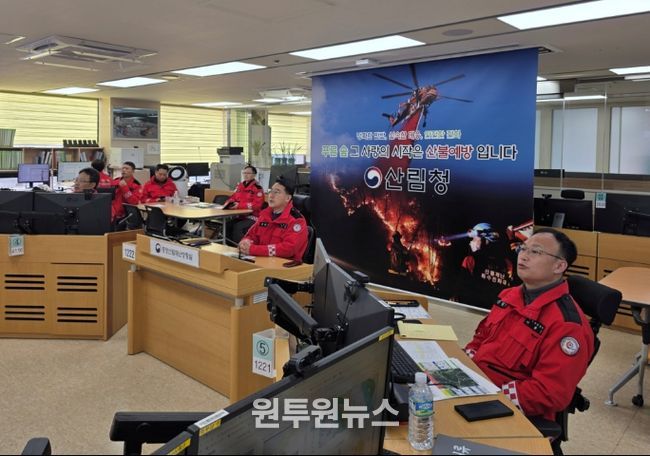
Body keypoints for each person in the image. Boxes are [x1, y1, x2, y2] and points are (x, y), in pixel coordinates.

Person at [464, 228, 595, 422]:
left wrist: (491, 395)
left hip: (511, 410)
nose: (523, 256)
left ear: (559, 266)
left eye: (536, 252)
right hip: (475, 385)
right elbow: (480, 339)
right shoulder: (508, 296)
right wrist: (463, 368)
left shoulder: (568, 326)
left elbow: (549, 392)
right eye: (523, 248)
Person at [238, 178, 308, 262]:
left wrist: (254, 249)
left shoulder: (297, 221)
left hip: (284, 266)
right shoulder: (265, 215)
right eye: (271, 191)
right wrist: (245, 242)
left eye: (277, 192)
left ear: (288, 198)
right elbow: (251, 235)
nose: (271, 195)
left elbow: (289, 249)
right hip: (262, 261)